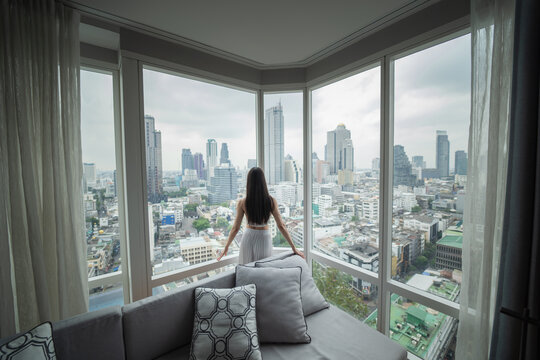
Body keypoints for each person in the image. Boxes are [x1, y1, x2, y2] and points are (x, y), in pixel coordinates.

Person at [217, 167, 304, 264]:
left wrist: (226, 246)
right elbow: (281, 226)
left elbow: (235, 228)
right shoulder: (271, 201)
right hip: (264, 237)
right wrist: (293, 248)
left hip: (248, 236)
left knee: (246, 269)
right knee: (263, 270)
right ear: (263, 181)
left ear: (249, 182)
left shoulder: (243, 202)